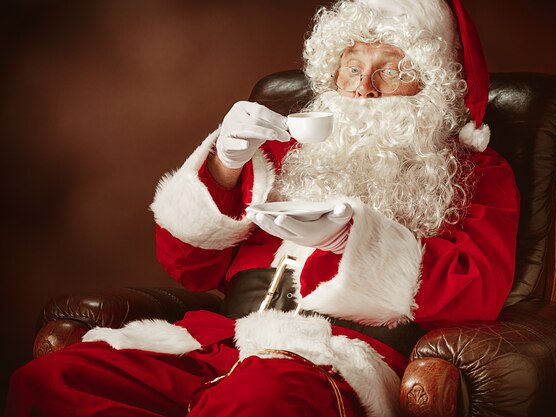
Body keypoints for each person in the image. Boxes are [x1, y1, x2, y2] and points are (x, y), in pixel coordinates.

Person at [6, 0, 519, 416]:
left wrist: (351, 242)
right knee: (52, 380)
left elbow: (479, 292)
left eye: (390, 71)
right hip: (222, 345)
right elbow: (189, 266)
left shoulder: (475, 172)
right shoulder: (281, 152)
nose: (364, 88)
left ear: (433, 83)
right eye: (353, 68)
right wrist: (226, 167)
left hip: (337, 360)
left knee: (256, 400)